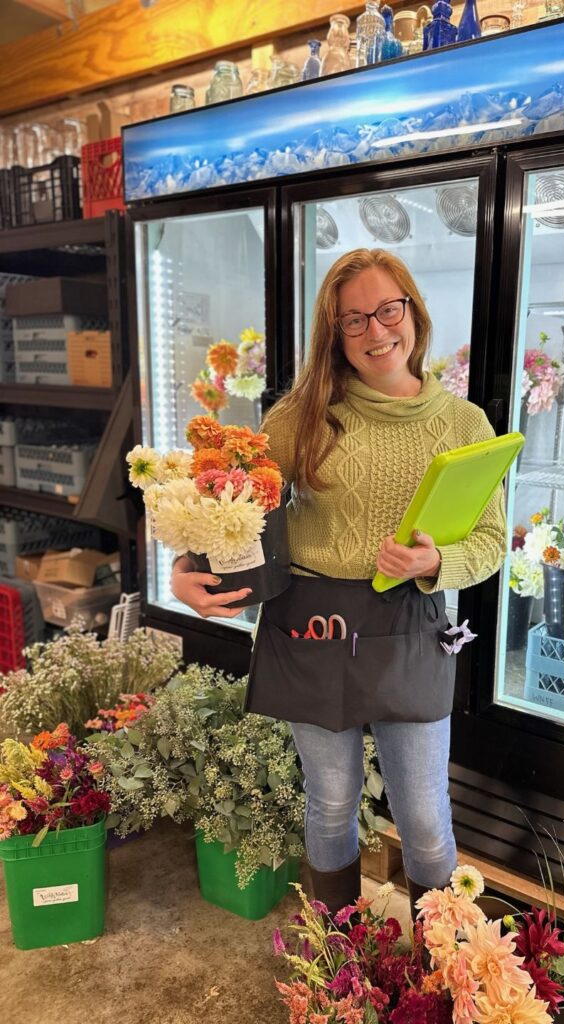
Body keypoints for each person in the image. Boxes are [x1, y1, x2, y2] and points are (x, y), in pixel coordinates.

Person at [171, 248, 506, 917]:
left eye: (388, 309)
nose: (377, 331)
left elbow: (491, 542)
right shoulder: (302, 415)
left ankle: (445, 974)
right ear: (335, 333)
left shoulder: (465, 425)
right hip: (311, 623)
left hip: (411, 623)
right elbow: (235, 507)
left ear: (413, 310)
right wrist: (188, 566)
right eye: (354, 320)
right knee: (329, 801)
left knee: (424, 815)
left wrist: (434, 562)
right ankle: (340, 960)